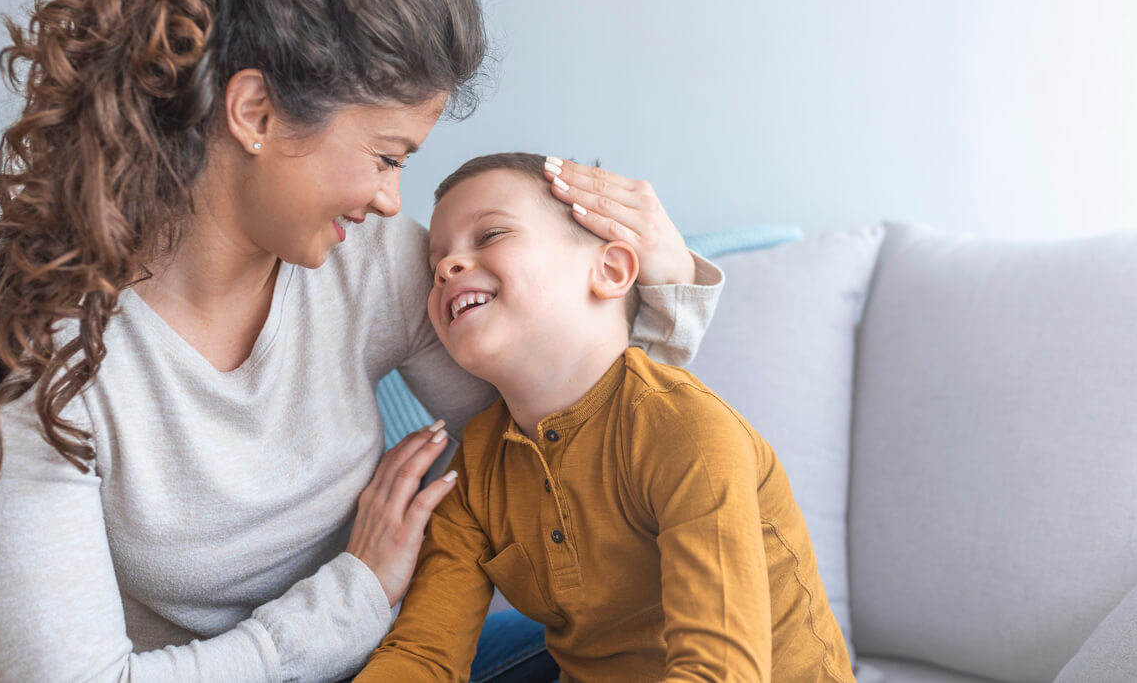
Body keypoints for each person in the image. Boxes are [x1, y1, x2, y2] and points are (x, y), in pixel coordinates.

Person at [0, 0, 724, 681]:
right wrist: (353, 594)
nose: (393, 201)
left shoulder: (372, 266)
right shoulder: (40, 364)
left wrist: (664, 299)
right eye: (387, 156)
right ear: (255, 112)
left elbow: (566, 456)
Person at [356, 152, 855, 683]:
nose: (447, 267)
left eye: (490, 235)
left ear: (610, 271)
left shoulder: (684, 430)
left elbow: (719, 671)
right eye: (436, 263)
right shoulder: (478, 468)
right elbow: (424, 655)